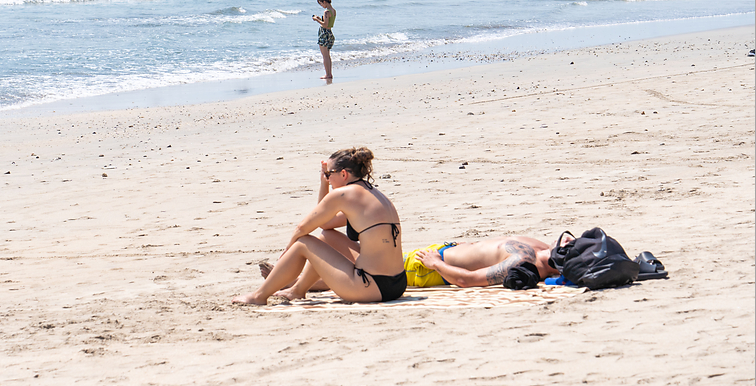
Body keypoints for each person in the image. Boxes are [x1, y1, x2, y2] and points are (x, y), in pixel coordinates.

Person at [234, 147, 407, 305]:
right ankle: (298, 290)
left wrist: (288, 251)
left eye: (329, 174)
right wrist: (324, 183)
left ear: (344, 174)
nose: (328, 178)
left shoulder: (343, 194)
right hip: (397, 284)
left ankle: (259, 296)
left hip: (369, 286)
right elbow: (325, 224)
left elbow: (303, 228)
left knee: (302, 243)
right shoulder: (373, 194)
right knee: (327, 236)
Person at [262, 234, 562, 297]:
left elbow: (469, 280)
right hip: (436, 252)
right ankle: (293, 279)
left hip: (425, 267)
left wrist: (436, 263)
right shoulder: (541, 247)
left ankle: (290, 282)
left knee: (347, 266)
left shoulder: (522, 262)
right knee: (329, 236)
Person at [313, 0, 336, 80]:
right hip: (330, 33)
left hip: (324, 33)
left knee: (325, 55)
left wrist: (316, 20)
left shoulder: (326, 12)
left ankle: (328, 74)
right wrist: (320, 18)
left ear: (325, 2)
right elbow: (328, 22)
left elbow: (325, 24)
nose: (321, 5)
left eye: (321, 3)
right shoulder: (333, 10)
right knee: (327, 55)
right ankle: (329, 73)